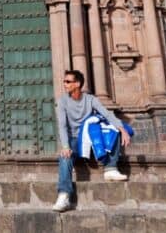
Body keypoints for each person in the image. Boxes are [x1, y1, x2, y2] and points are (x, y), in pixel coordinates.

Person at [52, 70, 130, 213]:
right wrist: (65, 146)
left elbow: (106, 113)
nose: (65, 84)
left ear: (78, 84)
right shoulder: (62, 101)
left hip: (91, 138)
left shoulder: (90, 99)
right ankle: (64, 195)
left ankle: (111, 168)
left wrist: (122, 129)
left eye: (68, 81)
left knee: (114, 129)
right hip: (75, 140)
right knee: (65, 156)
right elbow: (62, 126)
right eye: (64, 81)